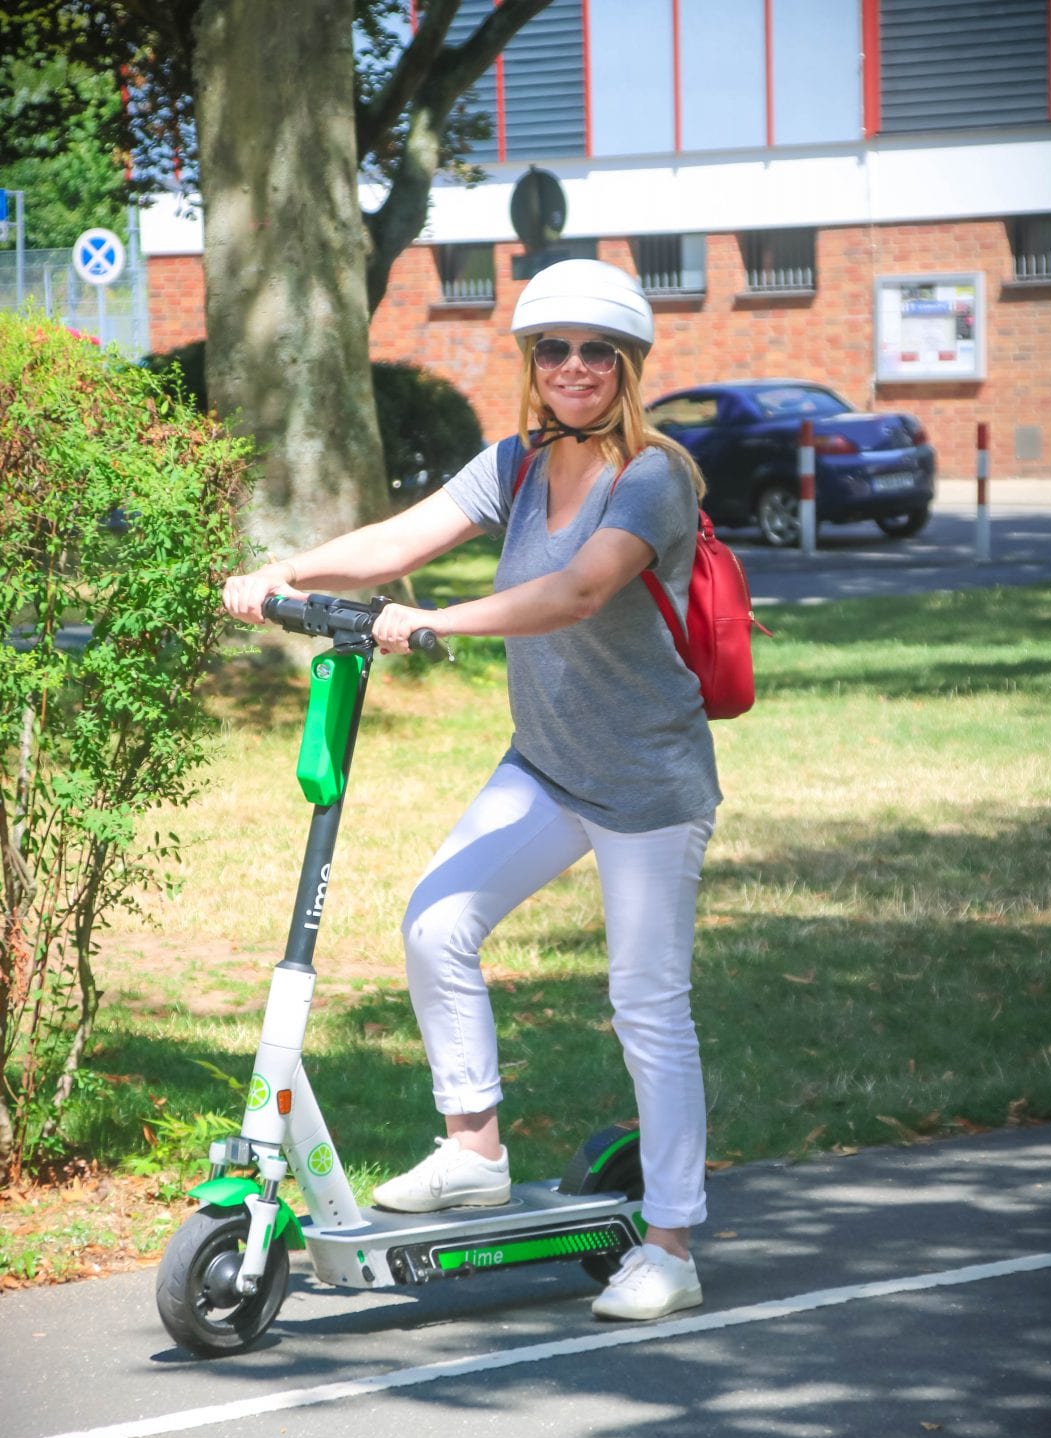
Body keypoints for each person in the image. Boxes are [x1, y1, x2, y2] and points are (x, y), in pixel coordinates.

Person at [221, 259, 722, 1322]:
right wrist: (287, 574)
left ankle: (671, 1242)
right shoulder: (516, 463)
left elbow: (576, 592)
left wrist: (436, 621)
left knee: (647, 1007)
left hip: (646, 783)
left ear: (627, 365)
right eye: (554, 349)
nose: (575, 366)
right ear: (532, 366)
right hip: (546, 764)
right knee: (436, 921)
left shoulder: (653, 475)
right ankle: (472, 1145)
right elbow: (405, 536)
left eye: (597, 350)